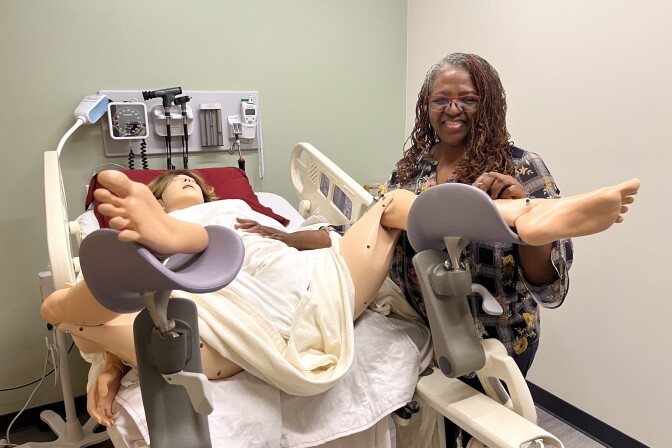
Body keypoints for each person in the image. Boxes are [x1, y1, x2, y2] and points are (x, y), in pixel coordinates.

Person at [40, 169, 639, 428]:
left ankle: (526, 217)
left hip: (293, 273)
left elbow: (311, 238)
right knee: (109, 323)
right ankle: (128, 276)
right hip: (216, 316)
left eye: (197, 185)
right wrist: (111, 363)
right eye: (178, 188)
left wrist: (277, 228)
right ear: (157, 198)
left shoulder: (248, 209)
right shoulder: (126, 228)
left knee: (393, 204)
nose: (192, 187)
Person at [380, 52, 574, 446]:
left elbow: (551, 289)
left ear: (488, 104)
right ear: (426, 104)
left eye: (468, 99)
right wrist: (303, 238)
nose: (453, 110)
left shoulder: (523, 169)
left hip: (497, 342)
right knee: (439, 431)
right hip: (427, 336)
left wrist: (526, 218)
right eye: (441, 99)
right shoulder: (411, 169)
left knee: (482, 435)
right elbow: (374, 230)